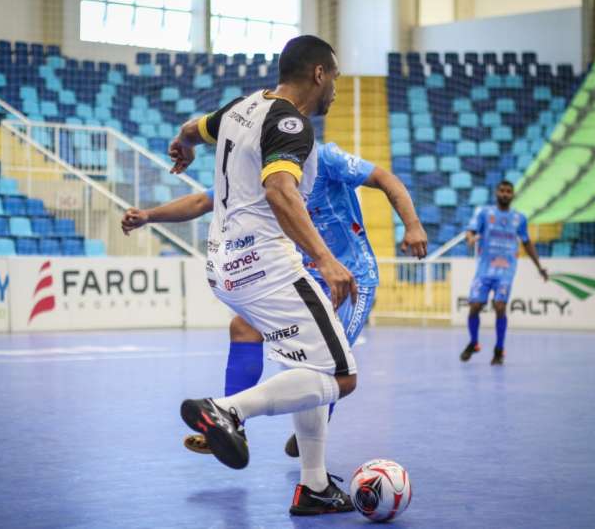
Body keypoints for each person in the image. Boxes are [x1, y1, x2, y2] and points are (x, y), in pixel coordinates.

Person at [144, 34, 356, 516]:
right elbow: (280, 190)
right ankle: (228, 410)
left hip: (223, 266)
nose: (335, 88)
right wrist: (325, 259)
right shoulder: (291, 123)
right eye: (335, 78)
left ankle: (314, 486)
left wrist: (183, 143)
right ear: (318, 74)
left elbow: (193, 128)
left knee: (307, 366)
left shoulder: (242, 107)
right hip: (267, 266)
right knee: (341, 377)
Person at [122, 142, 429, 459]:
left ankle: (314, 434)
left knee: (327, 364)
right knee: (243, 328)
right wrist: (148, 216)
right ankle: (231, 424)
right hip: (303, 276)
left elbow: (385, 178)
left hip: (351, 278)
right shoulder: (256, 172)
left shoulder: (324, 158)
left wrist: (413, 225)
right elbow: (202, 201)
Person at [460, 180, 548, 365]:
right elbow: (470, 231)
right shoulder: (485, 213)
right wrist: (470, 238)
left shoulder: (519, 219)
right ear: (496, 192)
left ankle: (499, 349)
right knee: (475, 305)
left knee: (500, 306)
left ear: (513, 195)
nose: (505, 194)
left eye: (509, 191)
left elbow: (527, 243)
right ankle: (474, 343)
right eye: (502, 190)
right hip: (484, 270)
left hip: (506, 271)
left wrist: (539, 267)